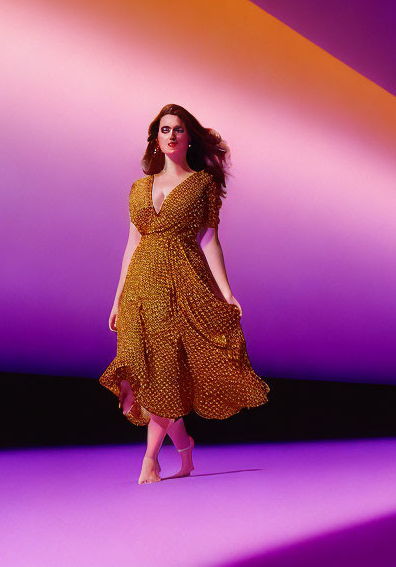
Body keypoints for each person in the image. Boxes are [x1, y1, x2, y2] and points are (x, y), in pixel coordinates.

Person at [99, 105, 270, 484]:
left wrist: (226, 292)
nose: (172, 135)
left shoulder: (202, 184)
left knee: (164, 373)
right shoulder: (139, 187)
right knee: (142, 385)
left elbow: (209, 239)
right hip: (141, 289)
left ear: (188, 136)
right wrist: (116, 299)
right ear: (156, 138)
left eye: (178, 129)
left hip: (182, 284)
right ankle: (185, 448)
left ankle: (149, 460)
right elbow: (131, 244)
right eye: (165, 129)